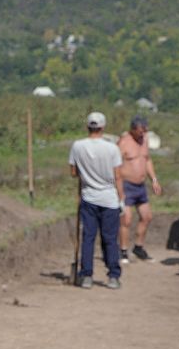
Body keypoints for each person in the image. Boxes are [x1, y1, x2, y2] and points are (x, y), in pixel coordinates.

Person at [69, 111, 125, 290]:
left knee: (88, 237)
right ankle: (113, 276)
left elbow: (73, 172)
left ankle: (86, 276)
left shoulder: (77, 146)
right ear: (103, 127)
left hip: (88, 197)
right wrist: (121, 199)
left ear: (88, 126)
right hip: (109, 199)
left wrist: (86, 175)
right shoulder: (112, 148)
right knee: (109, 239)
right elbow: (118, 177)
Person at [117, 115, 162, 263]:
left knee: (146, 216)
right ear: (133, 129)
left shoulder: (145, 140)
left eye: (144, 131)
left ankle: (138, 247)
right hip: (126, 184)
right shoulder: (123, 143)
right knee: (126, 219)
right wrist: (118, 188)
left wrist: (154, 179)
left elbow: (147, 159)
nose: (143, 134)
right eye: (140, 131)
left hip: (140, 186)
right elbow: (114, 165)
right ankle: (123, 250)